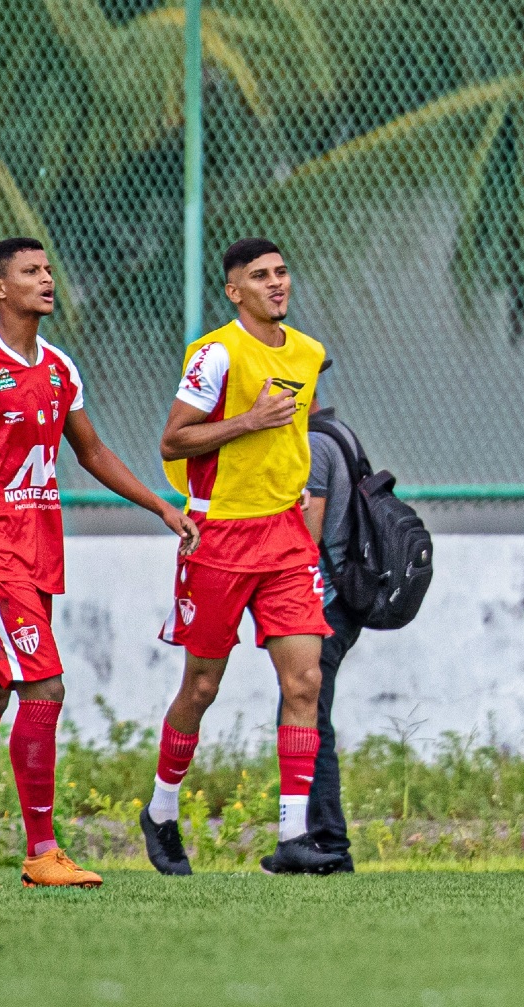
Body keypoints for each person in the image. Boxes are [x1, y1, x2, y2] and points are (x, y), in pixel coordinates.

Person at [0, 237, 198, 889]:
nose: (47, 278)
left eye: (47, 269)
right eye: (30, 271)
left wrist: (160, 505)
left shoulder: (61, 368)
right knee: (45, 686)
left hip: (37, 557)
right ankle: (41, 852)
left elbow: (91, 452)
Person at [143, 237, 340, 877]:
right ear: (235, 291)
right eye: (260, 276)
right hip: (219, 536)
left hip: (284, 538)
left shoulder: (309, 353)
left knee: (305, 681)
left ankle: (291, 838)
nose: (277, 283)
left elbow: (294, 444)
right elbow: (175, 437)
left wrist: (306, 511)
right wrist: (247, 421)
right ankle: (162, 811)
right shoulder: (216, 353)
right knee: (202, 686)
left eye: (282, 272)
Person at [295, 402, 364, 870]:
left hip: (327, 601)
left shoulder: (316, 442)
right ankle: (314, 838)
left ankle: (327, 843)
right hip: (337, 600)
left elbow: (308, 531)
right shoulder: (337, 431)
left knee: (307, 715)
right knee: (305, 710)